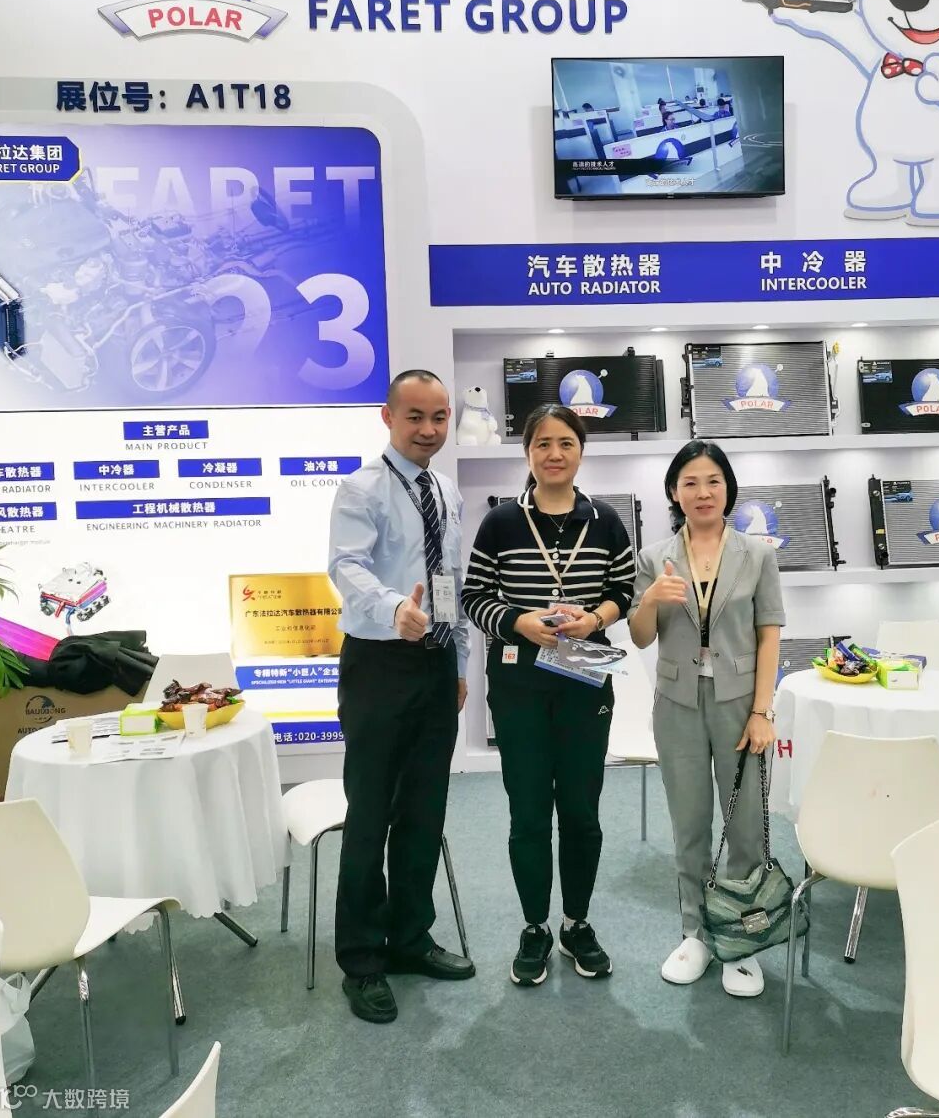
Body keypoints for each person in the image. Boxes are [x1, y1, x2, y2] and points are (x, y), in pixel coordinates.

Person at [462, 404, 635, 986]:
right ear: (527, 452)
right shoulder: (501, 522)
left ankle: (576, 923)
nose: (554, 454)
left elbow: (623, 589)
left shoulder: (605, 521)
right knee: (529, 811)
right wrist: (518, 622)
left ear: (580, 450)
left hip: (585, 681)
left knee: (582, 812)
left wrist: (595, 619)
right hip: (520, 684)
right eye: (542, 444)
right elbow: (474, 596)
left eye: (566, 443)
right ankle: (534, 925)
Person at [327, 369, 474, 1024]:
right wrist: (394, 608)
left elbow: (451, 581)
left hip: (435, 664)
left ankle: (410, 938)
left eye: (439, 417)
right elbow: (346, 566)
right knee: (371, 815)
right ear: (387, 416)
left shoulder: (446, 489)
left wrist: (458, 661)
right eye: (415, 416)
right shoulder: (361, 488)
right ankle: (362, 960)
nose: (429, 429)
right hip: (379, 665)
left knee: (423, 811)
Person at [628, 441, 785, 998]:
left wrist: (762, 711)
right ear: (674, 492)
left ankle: (741, 938)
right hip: (677, 703)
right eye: (690, 482)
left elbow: (769, 635)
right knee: (689, 824)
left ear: (728, 489)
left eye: (713, 481)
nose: (702, 492)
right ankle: (695, 932)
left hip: (739, 703)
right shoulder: (653, 557)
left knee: (744, 826)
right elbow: (640, 636)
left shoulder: (757, 555)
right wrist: (651, 598)